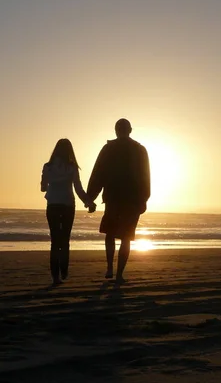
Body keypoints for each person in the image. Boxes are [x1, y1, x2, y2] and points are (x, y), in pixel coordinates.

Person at [87, 118, 150, 284]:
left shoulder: (109, 148)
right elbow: (146, 177)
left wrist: (90, 196)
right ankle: (119, 274)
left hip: (114, 198)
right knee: (126, 238)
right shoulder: (139, 150)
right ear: (130, 130)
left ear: (117, 130)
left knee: (110, 234)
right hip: (132, 200)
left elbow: (97, 174)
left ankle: (109, 268)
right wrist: (144, 199)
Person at [41, 139, 95, 285]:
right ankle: (64, 270)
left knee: (54, 241)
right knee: (64, 240)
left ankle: (55, 277)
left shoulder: (48, 166)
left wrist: (49, 183)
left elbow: (43, 187)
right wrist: (88, 202)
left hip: (52, 205)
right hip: (67, 205)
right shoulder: (72, 167)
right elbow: (78, 189)